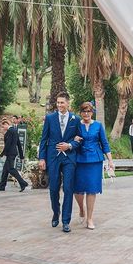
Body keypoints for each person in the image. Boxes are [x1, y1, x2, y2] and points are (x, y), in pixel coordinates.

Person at [38, 91, 81, 233]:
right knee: (54, 188)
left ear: (68, 103)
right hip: (53, 158)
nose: (59, 105)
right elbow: (44, 139)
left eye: (62, 102)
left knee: (68, 188)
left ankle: (66, 221)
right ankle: (56, 213)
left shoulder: (75, 119)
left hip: (69, 158)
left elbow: (79, 139)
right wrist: (42, 158)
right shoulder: (50, 118)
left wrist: (69, 146)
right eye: (58, 103)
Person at [74, 102, 114, 230]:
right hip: (79, 159)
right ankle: (81, 209)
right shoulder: (76, 125)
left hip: (94, 160)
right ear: (81, 112)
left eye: (89, 111)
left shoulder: (98, 125)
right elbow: (70, 140)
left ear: (92, 113)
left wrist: (110, 161)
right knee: (77, 189)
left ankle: (90, 218)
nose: (86, 114)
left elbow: (105, 143)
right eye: (84, 111)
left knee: (91, 189)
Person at [0, 117, 29, 192]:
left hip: (10, 153)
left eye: (3, 126)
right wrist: (21, 155)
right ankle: (1, 186)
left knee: (11, 169)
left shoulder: (10, 131)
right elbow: (19, 144)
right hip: (13, 153)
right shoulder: (14, 131)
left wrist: (2, 153)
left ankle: (23, 183)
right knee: (5, 170)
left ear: (6, 124)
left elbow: (8, 144)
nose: (3, 128)